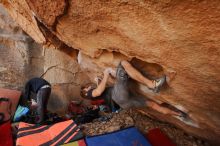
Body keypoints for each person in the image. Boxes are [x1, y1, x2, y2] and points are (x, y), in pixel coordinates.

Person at [81, 60, 183, 117]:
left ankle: (178, 114)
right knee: (123, 64)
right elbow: (98, 92)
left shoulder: (92, 96)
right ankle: (152, 84)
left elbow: (100, 89)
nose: (89, 87)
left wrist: (98, 80)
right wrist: (106, 73)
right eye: (87, 88)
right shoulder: (90, 94)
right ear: (85, 92)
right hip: (119, 96)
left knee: (152, 104)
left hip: (125, 103)